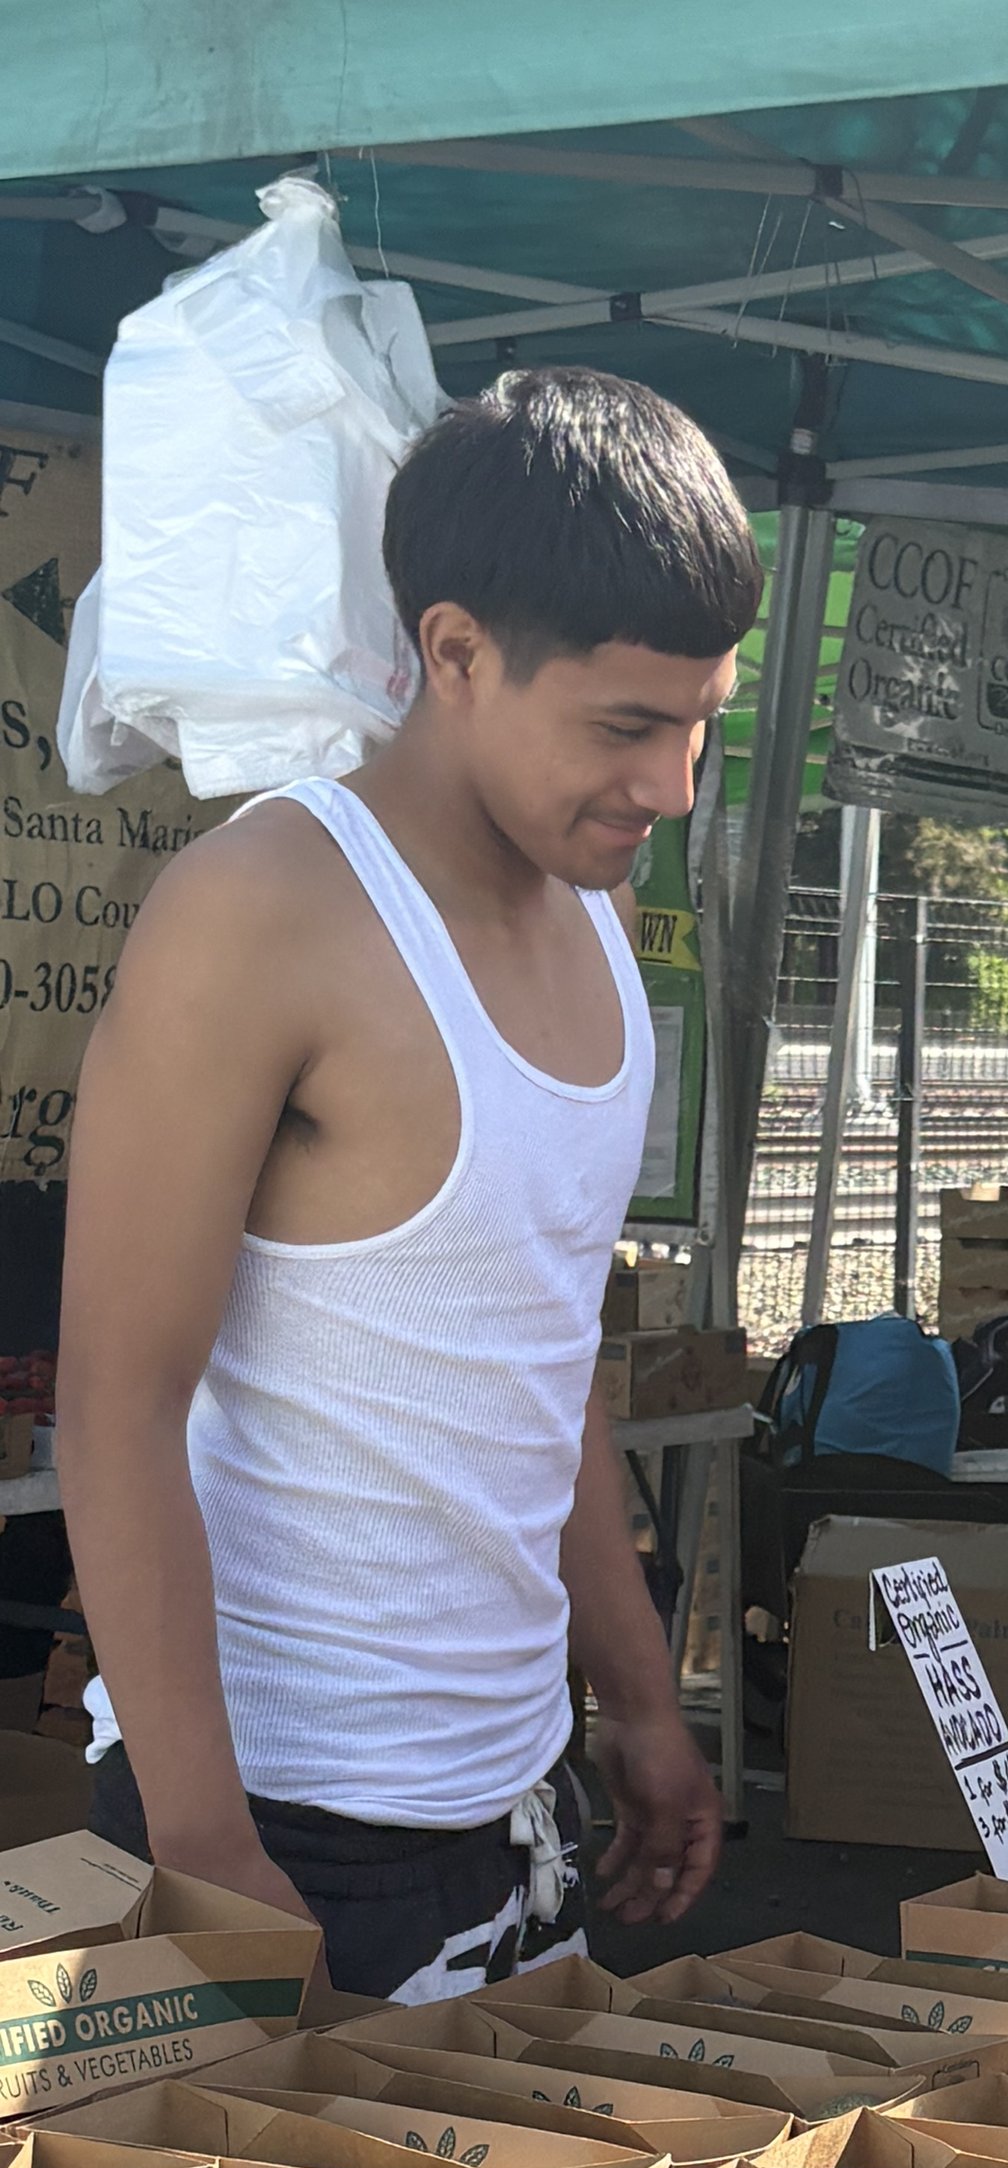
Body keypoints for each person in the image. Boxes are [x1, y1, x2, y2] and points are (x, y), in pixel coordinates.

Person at [57, 367, 757, 1999]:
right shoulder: (259, 916)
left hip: (516, 1812)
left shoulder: (594, 916)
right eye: (627, 725)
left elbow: (538, 1348)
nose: (672, 785)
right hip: (278, 1825)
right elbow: (115, 1400)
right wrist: (205, 1851)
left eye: (704, 720)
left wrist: (642, 1704)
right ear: (455, 654)